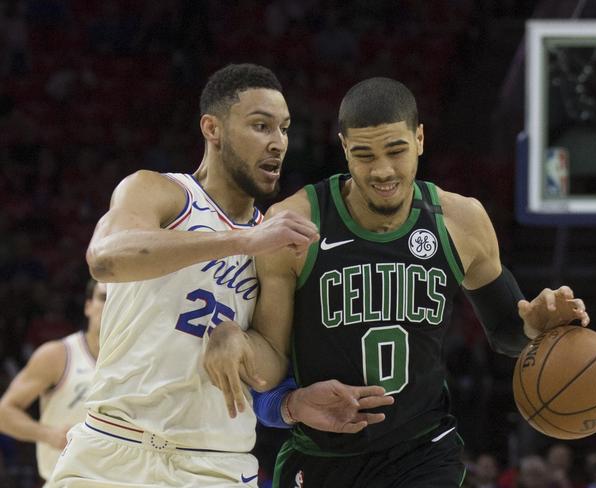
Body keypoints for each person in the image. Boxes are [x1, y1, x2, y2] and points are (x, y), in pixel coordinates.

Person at [207, 77, 591, 488]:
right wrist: (238, 341)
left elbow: (508, 335)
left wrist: (534, 325)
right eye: (364, 155)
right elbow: (270, 370)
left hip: (423, 452)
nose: (383, 170)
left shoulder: (461, 221)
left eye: (396, 150)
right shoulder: (295, 225)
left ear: (420, 139)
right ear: (344, 149)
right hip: (322, 455)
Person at [49, 63, 389, 488]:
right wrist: (240, 241)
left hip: (215, 464)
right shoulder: (161, 192)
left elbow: (268, 368)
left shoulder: (277, 236)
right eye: (261, 126)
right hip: (113, 448)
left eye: (283, 129)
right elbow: (105, 258)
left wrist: (239, 340)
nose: (278, 143)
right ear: (213, 128)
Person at [0, 279, 105, 487]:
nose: (110, 306)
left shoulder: (138, 361)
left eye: (116, 300)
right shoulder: (59, 355)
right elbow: (4, 413)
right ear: (88, 306)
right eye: (103, 298)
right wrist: (48, 435)